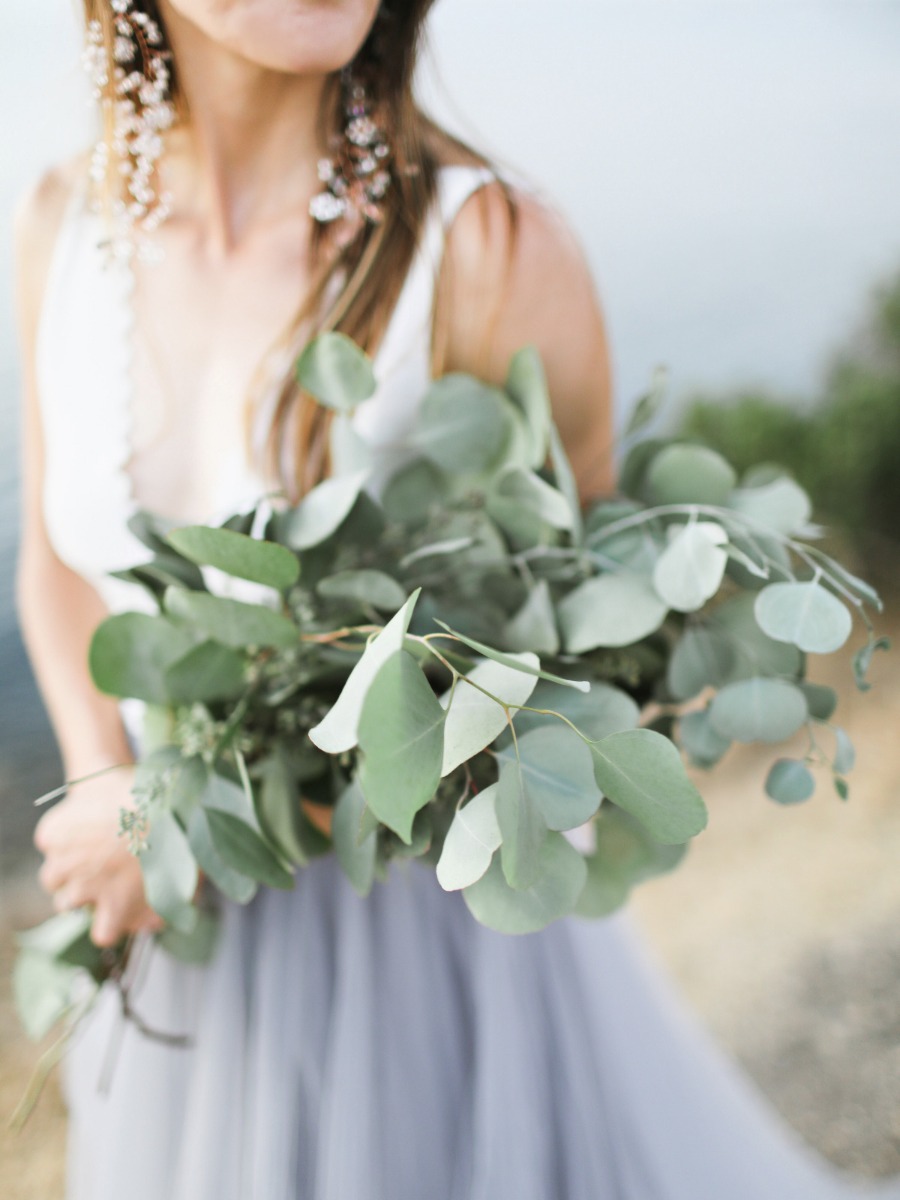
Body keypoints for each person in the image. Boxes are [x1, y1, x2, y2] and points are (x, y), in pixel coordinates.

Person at [13, 3, 898, 1198]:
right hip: (167, 939)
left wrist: (196, 826)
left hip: (414, 958)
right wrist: (115, 798)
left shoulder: (491, 248)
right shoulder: (65, 218)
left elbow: (596, 653)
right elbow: (59, 560)